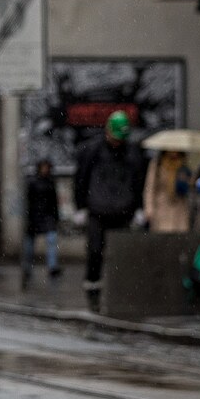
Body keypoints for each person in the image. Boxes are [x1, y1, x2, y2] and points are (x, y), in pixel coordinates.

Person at [72, 110, 146, 310]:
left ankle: (121, 288)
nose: (117, 142)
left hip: (124, 210)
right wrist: (80, 207)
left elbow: (138, 181)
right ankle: (92, 286)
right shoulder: (93, 150)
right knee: (95, 251)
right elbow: (81, 178)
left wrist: (139, 208)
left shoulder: (132, 153)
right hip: (98, 210)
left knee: (122, 254)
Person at [21, 159, 61, 287]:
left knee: (51, 240)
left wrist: (55, 217)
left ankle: (52, 267)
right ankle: (27, 267)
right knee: (29, 246)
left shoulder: (49, 182)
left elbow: (54, 202)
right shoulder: (33, 182)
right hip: (34, 216)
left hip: (46, 216)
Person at [141, 149, 192, 234]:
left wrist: (186, 180)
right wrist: (149, 208)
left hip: (179, 209)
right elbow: (150, 187)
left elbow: (189, 186)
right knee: (162, 238)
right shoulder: (157, 164)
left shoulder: (183, 164)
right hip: (161, 208)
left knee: (179, 239)